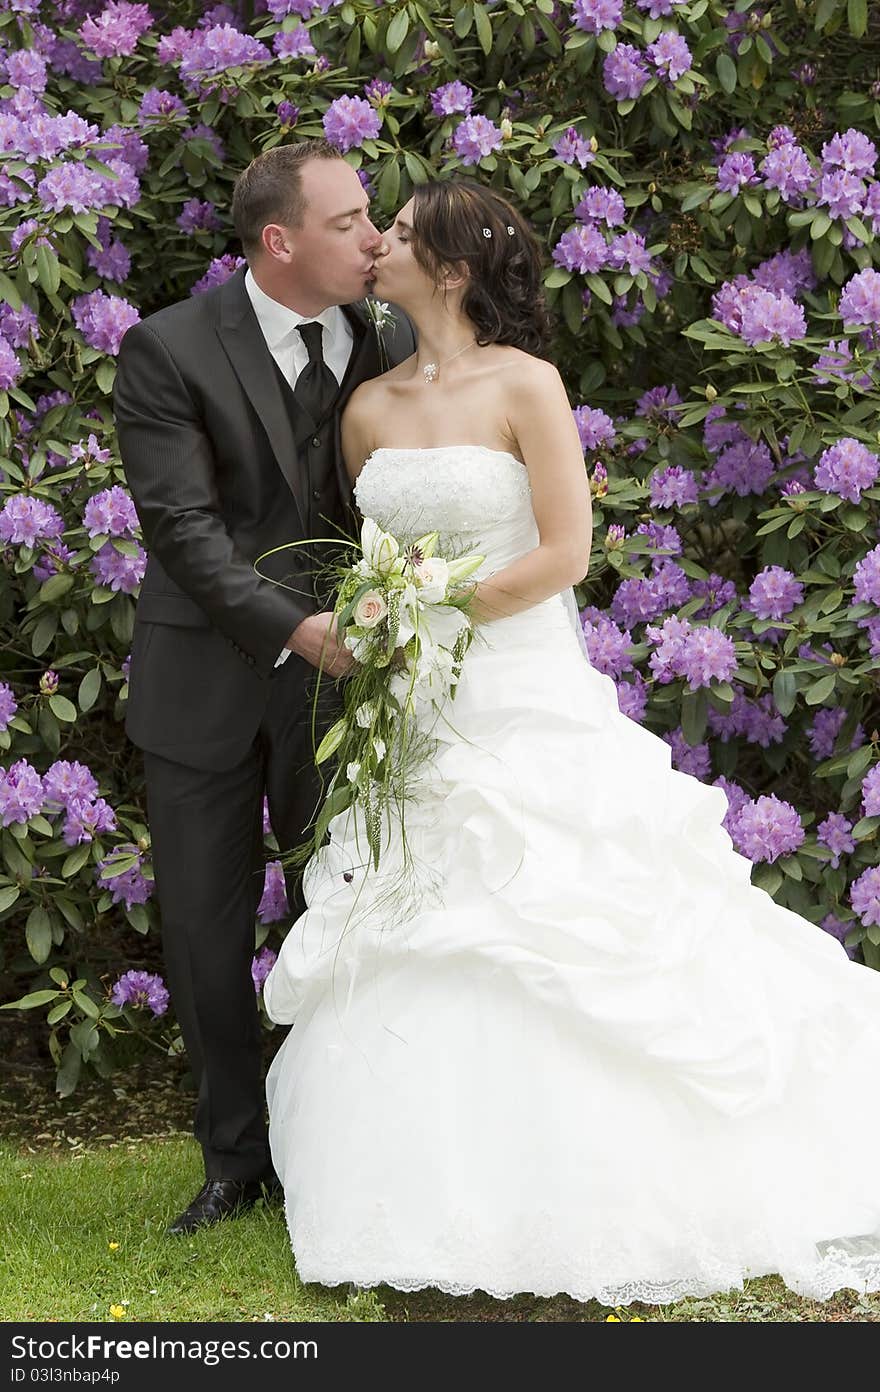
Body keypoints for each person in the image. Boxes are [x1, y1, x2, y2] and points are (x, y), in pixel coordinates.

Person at [262, 174, 880, 1305]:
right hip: (415, 708)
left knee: (559, 910)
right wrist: (382, 617)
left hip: (520, 692)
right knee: (422, 917)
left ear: (449, 269)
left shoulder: (525, 385)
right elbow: (367, 556)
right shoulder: (367, 408)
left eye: (398, 236)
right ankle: (428, 1184)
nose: (379, 248)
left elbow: (563, 556)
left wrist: (430, 611)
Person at [113, 140, 415, 1236]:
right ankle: (235, 1160)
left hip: (345, 696)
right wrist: (297, 628)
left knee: (346, 916)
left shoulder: (390, 338)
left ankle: (337, 1148)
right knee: (203, 927)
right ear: (279, 242)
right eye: (348, 222)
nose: (375, 236)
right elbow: (183, 529)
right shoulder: (169, 348)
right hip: (206, 676)